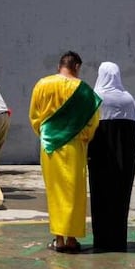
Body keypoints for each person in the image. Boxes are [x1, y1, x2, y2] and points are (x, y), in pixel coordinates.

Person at [29, 51, 101, 253]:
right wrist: (82, 137)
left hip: (50, 146)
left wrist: (47, 134)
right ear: (76, 66)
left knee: (55, 193)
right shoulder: (85, 90)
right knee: (75, 193)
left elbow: (35, 117)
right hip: (74, 147)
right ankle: (71, 239)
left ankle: (58, 239)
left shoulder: (43, 84)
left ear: (60, 65)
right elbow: (93, 123)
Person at [89, 62, 135, 252]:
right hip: (125, 157)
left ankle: (101, 240)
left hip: (100, 155)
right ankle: (118, 239)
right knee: (121, 196)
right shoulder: (128, 99)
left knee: (100, 196)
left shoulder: (95, 97)